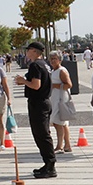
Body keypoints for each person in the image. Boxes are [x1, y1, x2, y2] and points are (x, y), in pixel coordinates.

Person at [14, 41, 55, 178]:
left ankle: (50, 166)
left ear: (35, 51)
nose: (27, 52)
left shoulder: (35, 65)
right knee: (42, 133)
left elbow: (36, 85)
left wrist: (23, 81)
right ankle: (47, 163)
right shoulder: (44, 64)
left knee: (41, 134)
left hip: (38, 103)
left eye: (29, 49)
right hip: (44, 102)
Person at [47, 50, 73, 153]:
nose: (52, 61)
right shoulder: (53, 71)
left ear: (59, 60)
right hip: (55, 98)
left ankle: (59, 145)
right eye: (51, 59)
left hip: (61, 99)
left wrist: (54, 86)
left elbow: (69, 84)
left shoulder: (62, 71)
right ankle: (67, 145)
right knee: (63, 123)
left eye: (55, 59)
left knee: (58, 123)